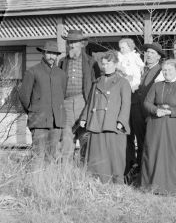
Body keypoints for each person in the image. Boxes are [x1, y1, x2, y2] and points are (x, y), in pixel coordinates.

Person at [140, 59, 176, 193]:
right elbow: (147, 102)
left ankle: (172, 188)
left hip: (174, 126)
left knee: (172, 155)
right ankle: (151, 186)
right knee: (153, 152)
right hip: (156, 126)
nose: (167, 72)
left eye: (170, 70)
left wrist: (172, 112)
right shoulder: (156, 86)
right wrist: (155, 110)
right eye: (164, 70)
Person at [79, 50, 131, 184]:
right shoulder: (97, 82)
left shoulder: (122, 82)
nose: (105, 66)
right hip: (97, 122)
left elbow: (126, 104)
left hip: (112, 123)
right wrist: (84, 118)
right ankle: (96, 180)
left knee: (114, 154)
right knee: (97, 152)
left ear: (115, 64)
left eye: (108, 64)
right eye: (103, 64)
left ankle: (115, 181)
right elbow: (90, 102)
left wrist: (121, 121)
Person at [19, 40, 67, 161]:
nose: (52, 56)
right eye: (49, 53)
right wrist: (33, 111)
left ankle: (49, 180)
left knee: (52, 156)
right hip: (38, 121)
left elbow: (63, 95)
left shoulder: (61, 74)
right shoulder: (32, 71)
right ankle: (37, 180)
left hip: (56, 122)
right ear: (43, 53)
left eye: (54, 54)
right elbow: (24, 96)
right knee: (38, 156)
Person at [58, 29, 100, 163]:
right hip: (66, 103)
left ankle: (85, 168)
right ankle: (66, 169)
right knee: (66, 135)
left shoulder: (91, 62)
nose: (71, 45)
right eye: (70, 42)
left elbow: (97, 83)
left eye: (75, 42)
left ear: (82, 44)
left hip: (84, 101)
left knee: (84, 134)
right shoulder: (62, 62)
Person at [128, 42, 165, 169]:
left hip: (149, 112)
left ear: (158, 57)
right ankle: (138, 168)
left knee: (148, 142)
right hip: (136, 109)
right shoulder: (140, 69)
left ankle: (147, 170)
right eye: (147, 52)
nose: (148, 55)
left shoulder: (159, 71)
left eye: (152, 53)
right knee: (137, 139)